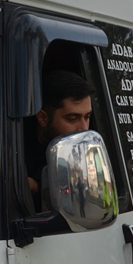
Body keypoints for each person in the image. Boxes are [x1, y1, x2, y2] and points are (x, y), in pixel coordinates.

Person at [24, 69, 95, 208]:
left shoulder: (87, 149)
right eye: (72, 118)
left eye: (87, 117)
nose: (83, 128)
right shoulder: (13, 147)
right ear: (43, 118)